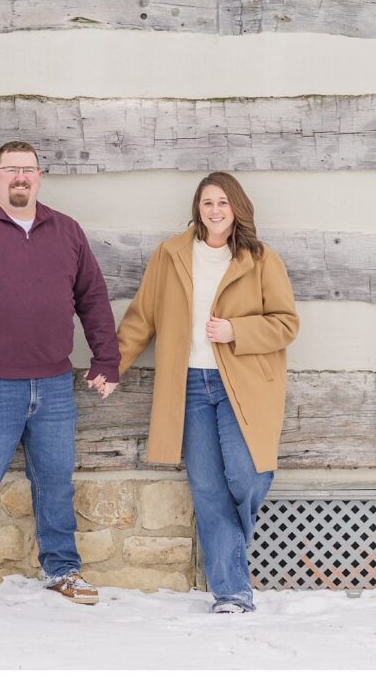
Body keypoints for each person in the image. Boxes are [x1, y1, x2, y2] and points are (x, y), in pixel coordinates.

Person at [0, 141, 121, 607]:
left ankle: (62, 569)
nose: (19, 178)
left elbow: (92, 298)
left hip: (54, 383)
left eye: (27, 170)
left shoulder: (65, 230)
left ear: (39, 177)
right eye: (10, 170)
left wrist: (105, 359)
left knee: (56, 480)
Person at [99, 171, 299, 613]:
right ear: (198, 208)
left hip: (240, 385)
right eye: (207, 202)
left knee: (246, 475)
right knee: (207, 490)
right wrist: (111, 365)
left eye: (223, 203)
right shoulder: (171, 255)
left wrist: (235, 330)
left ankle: (228, 551)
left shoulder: (261, 259)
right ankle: (232, 592)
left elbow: (286, 324)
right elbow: (142, 318)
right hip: (188, 384)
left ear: (237, 208)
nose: (214, 210)